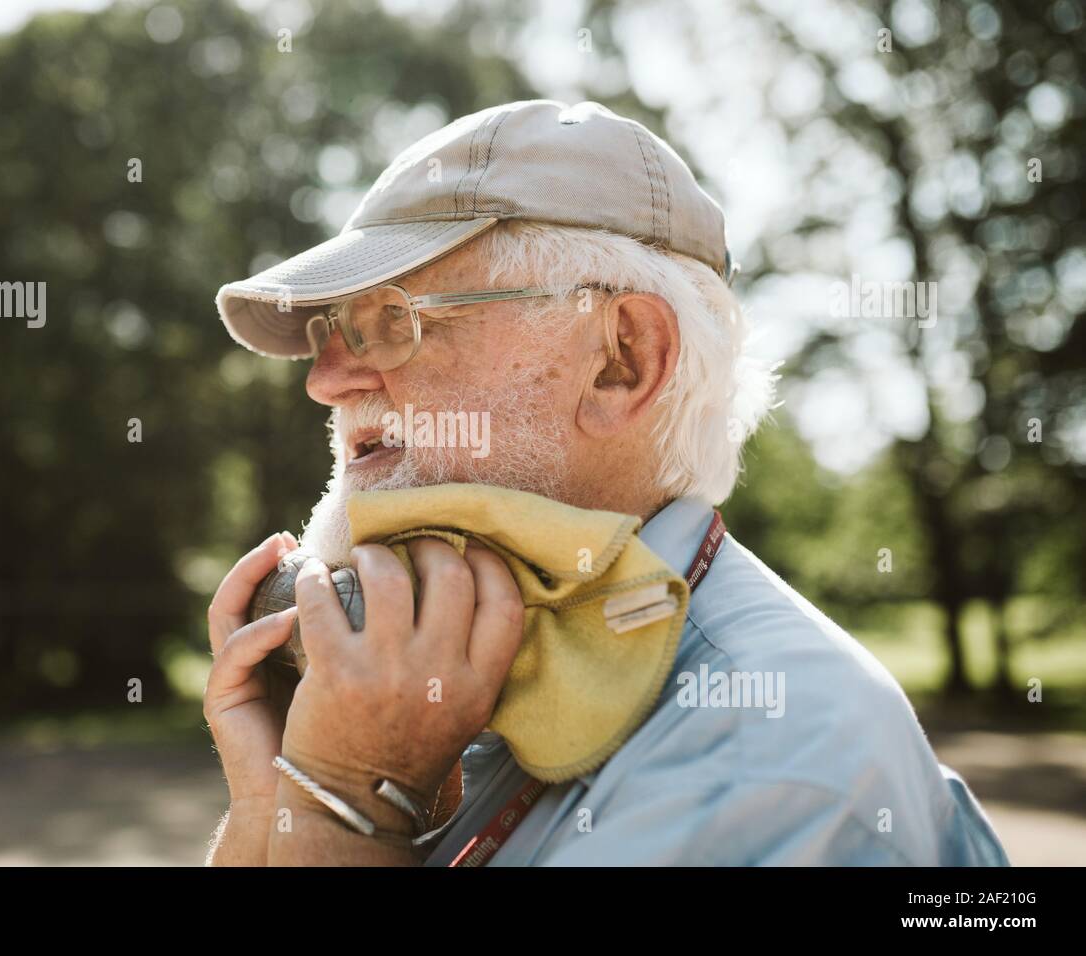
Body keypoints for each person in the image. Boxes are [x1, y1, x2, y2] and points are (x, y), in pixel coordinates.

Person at [203, 100, 1010, 866]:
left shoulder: (776, 755)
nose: (326, 378)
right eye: (329, 328)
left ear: (622, 362)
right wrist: (272, 804)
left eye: (390, 320)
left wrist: (343, 807)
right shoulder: (448, 680)